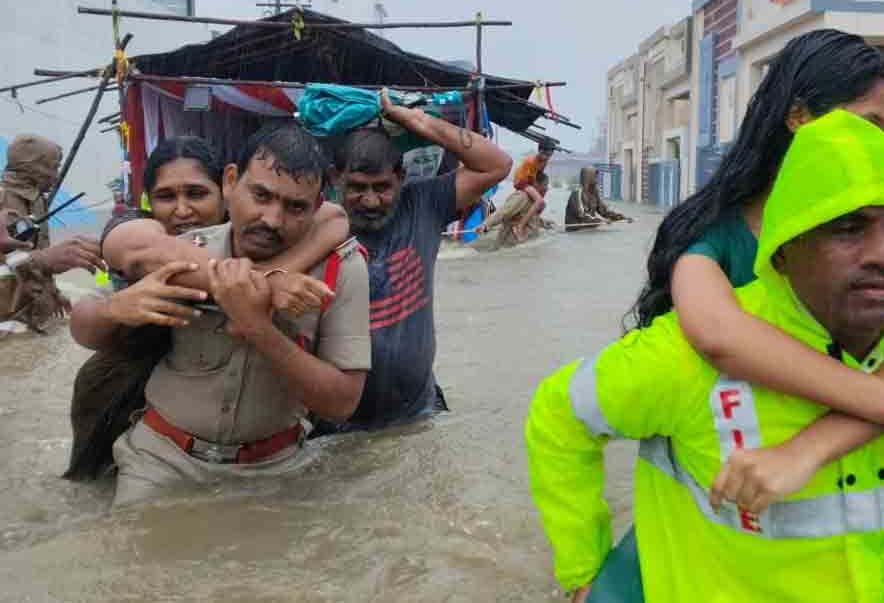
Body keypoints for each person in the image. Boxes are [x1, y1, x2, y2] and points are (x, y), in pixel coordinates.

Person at [527, 110, 884, 602]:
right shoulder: (686, 357)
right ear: (782, 252)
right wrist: (583, 572)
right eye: (849, 228)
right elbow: (558, 416)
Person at [621, 31, 884, 596]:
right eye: (861, 124)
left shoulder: (883, 229)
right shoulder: (716, 235)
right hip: (740, 475)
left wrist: (811, 450)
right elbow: (719, 337)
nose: (875, 144)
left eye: (883, 131)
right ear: (798, 118)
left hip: (849, 466)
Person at [99, 122, 371, 506]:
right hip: (159, 462)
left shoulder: (341, 266)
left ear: (317, 206)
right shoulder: (185, 248)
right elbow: (115, 273)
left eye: (295, 207)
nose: (272, 219)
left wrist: (259, 328)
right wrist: (270, 283)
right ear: (230, 182)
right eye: (260, 195)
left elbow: (342, 402)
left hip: (276, 470)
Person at [318, 89, 511, 432]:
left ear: (401, 179)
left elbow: (498, 164)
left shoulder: (423, 204)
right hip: (336, 428)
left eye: (382, 187)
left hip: (418, 415)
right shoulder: (316, 222)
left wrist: (414, 119)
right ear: (336, 179)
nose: (371, 201)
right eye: (357, 187)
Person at [0, 135, 103, 328]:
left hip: (34, 319)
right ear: (32, 167)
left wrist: (52, 292)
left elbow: (34, 257)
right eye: (53, 167)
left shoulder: (39, 202)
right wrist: (43, 260)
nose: (56, 176)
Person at [478, 172, 550, 248]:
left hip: (525, 245)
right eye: (545, 185)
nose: (547, 189)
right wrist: (485, 224)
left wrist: (544, 223)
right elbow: (503, 212)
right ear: (536, 184)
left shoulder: (534, 203)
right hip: (509, 244)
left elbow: (531, 218)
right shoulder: (521, 196)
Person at [511, 140, 554, 240]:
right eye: (546, 154)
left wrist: (541, 188)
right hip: (522, 181)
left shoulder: (544, 162)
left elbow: (538, 175)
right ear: (540, 151)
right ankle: (519, 227)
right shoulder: (530, 162)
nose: (547, 158)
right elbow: (529, 179)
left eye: (549, 155)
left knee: (542, 204)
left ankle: (532, 218)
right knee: (539, 201)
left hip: (531, 181)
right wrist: (536, 189)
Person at [565, 167, 627, 232]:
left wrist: (621, 217)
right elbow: (582, 214)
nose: (596, 180)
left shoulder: (594, 193)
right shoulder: (576, 193)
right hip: (576, 230)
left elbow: (603, 211)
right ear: (588, 178)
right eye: (595, 177)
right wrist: (601, 221)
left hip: (591, 229)